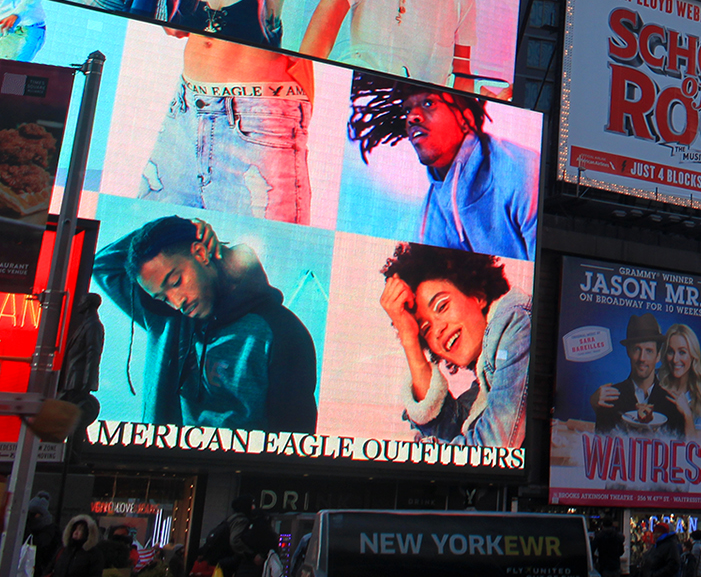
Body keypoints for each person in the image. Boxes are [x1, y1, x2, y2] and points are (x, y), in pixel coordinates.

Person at [94, 216, 318, 431]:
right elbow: (103, 265)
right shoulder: (167, 320)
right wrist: (183, 225)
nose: (177, 302)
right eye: (162, 298)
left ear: (201, 253)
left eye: (176, 282)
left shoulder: (281, 331)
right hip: (160, 457)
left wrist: (185, 231)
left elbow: (292, 441)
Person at [346, 74, 538, 259]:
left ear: (466, 120)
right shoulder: (431, 214)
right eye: (407, 110)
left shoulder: (522, 172)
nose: (412, 117)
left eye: (428, 103)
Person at [138, 36, 314, 224]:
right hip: (185, 110)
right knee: (155, 235)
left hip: (258, 115)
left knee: (266, 238)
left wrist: (309, 54)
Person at [380, 243, 530, 446]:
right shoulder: (484, 385)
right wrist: (409, 338)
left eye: (442, 306)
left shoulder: (516, 322)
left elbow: (493, 447)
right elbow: (449, 431)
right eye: (426, 329)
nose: (437, 330)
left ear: (477, 295)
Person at [300, 0, 480, 91]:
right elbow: (312, 52)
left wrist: (483, 100)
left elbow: (462, 75)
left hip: (420, 114)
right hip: (360, 105)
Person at [592, 313, 686, 436]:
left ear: (658, 356)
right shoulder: (609, 399)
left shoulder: (673, 404)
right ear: (628, 351)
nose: (642, 358)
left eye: (649, 351)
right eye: (637, 349)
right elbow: (601, 444)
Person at [661, 323, 701, 438]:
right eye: (671, 351)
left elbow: (698, 447)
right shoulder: (654, 386)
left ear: (693, 356)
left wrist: (687, 414)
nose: (675, 359)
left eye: (682, 352)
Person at [221, 495, 277, 577]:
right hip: (255, 569)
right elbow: (235, 541)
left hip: (242, 568)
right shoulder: (243, 522)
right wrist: (253, 555)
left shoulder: (232, 521)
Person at [25, 493, 59, 577]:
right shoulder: (28, 527)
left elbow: (38, 544)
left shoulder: (50, 530)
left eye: (34, 514)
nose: (31, 517)